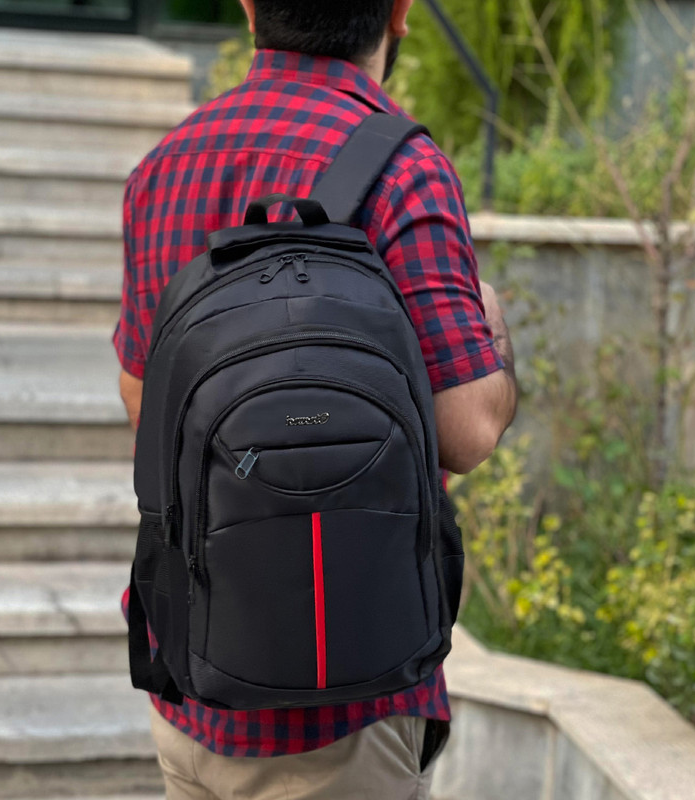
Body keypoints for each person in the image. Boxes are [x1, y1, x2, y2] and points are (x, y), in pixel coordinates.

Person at [114, 1, 517, 797]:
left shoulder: (165, 166)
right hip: (342, 708)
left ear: (248, 6)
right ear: (400, 12)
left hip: (193, 673)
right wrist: (494, 326)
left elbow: (143, 408)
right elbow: (467, 429)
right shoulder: (407, 170)